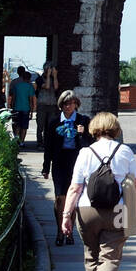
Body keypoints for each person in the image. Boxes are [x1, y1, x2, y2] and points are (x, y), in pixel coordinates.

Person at [61, 110, 136, 271]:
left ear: (94, 129)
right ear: (115, 129)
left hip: (87, 210)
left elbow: (75, 188)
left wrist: (66, 215)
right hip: (117, 210)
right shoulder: (125, 151)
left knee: (91, 256)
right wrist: (135, 214)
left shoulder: (85, 153)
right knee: (110, 257)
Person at [42, 90, 92, 245]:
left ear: (76, 104)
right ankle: (59, 232)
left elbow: (89, 145)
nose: (68, 106)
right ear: (61, 105)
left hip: (76, 163)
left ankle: (70, 233)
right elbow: (48, 146)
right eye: (65, 103)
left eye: (71, 103)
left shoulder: (83, 120)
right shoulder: (54, 122)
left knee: (73, 198)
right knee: (60, 198)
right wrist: (45, 167)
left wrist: (82, 134)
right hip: (59, 162)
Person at [6, 66, 37, 145]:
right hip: (26, 108)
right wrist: (32, 110)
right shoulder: (30, 86)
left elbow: (12, 97)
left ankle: (16, 139)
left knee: (16, 125)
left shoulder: (16, 85)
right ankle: (22, 142)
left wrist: (10, 106)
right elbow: (31, 99)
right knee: (24, 126)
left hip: (16, 107)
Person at [34, 63, 59, 147]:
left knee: (50, 126)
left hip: (52, 105)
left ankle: (47, 142)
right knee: (40, 125)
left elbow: (56, 87)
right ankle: (39, 143)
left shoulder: (54, 78)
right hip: (42, 105)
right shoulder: (39, 79)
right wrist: (48, 75)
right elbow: (47, 86)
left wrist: (55, 76)